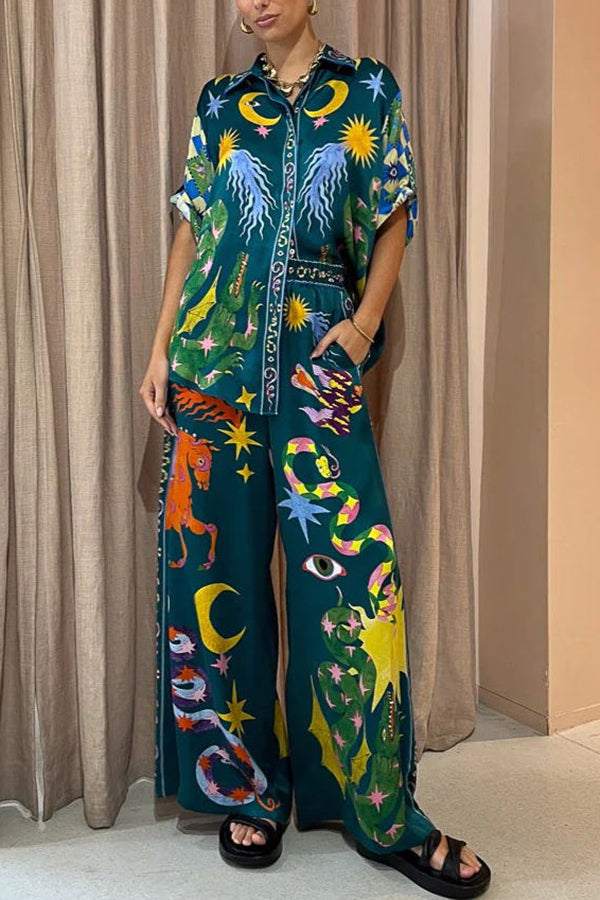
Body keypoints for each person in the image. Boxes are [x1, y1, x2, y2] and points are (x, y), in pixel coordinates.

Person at [140, 1, 491, 896]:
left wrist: (364, 325)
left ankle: (379, 808)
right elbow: (193, 225)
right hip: (212, 365)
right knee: (216, 576)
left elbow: (394, 213)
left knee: (351, 581)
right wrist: (160, 347)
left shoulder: (367, 90)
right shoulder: (220, 102)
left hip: (316, 359)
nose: (256, 0)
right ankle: (250, 788)